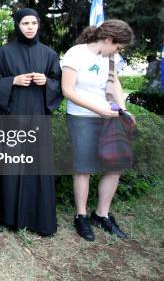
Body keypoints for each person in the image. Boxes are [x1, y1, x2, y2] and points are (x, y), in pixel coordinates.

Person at [0, 8, 62, 236]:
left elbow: (60, 85)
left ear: (38, 25)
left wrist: (47, 81)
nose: (30, 27)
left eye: (34, 23)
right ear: (17, 25)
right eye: (25, 23)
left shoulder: (49, 54)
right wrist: (13, 81)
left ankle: (35, 216)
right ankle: (3, 214)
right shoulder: (4, 53)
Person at [61, 19, 135, 241]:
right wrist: (98, 109)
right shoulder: (76, 54)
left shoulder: (111, 57)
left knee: (116, 165)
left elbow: (114, 83)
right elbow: (67, 90)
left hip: (109, 118)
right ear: (109, 39)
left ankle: (101, 214)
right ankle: (81, 216)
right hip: (82, 117)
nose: (118, 52)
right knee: (84, 167)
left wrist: (123, 109)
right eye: (118, 47)